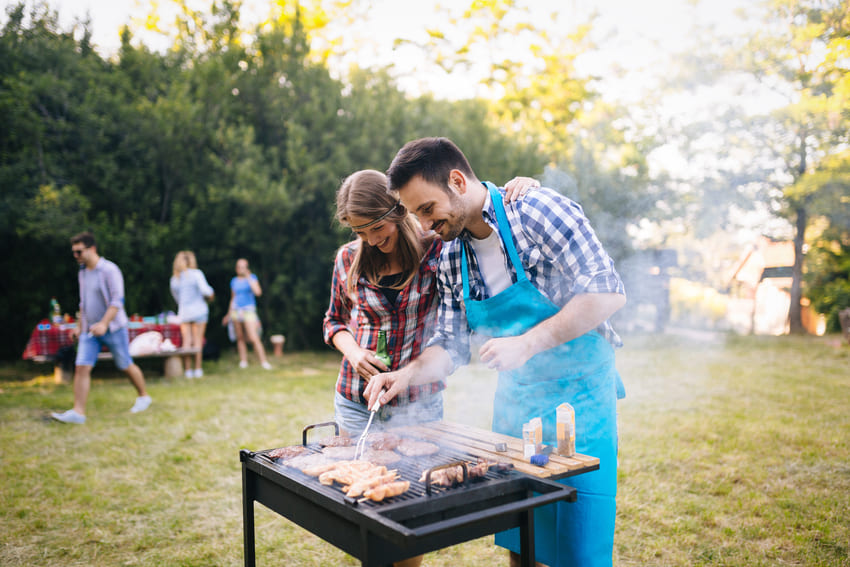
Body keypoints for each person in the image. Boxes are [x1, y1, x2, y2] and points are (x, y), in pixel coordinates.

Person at [365, 137, 627, 567]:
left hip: (579, 403)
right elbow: (450, 345)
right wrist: (406, 375)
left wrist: (527, 343)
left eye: (427, 209)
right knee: (523, 537)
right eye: (416, 215)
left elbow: (606, 294)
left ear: (456, 181)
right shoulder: (450, 256)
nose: (426, 225)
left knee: (577, 540)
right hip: (517, 404)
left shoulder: (539, 213)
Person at [324, 169, 537, 567]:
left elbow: (468, 201)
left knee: (410, 516)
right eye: (359, 231)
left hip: (418, 403)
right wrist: (353, 353)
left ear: (396, 209)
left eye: (375, 227)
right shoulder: (347, 259)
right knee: (362, 506)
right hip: (356, 401)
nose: (370, 240)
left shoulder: (438, 249)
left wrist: (519, 189)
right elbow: (334, 322)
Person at [51, 232, 152, 424]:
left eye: (79, 251)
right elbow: (84, 303)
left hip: (113, 328)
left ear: (92, 249)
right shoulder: (82, 271)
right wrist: (79, 326)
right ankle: (78, 413)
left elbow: (117, 301)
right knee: (81, 367)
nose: (76, 256)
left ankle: (143, 396)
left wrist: (104, 323)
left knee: (125, 364)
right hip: (90, 331)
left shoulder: (109, 270)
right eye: (74, 252)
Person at [170, 250, 215, 378]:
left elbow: (177, 298)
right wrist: (211, 294)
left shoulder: (174, 279)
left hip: (184, 312)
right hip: (199, 311)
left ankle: (188, 370)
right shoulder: (196, 274)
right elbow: (205, 291)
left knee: (186, 341)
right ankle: (198, 369)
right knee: (197, 341)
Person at [223, 258, 271, 370]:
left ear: (247, 268)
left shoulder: (252, 278)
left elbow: (258, 292)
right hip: (236, 311)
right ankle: (243, 361)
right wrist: (228, 314)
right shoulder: (234, 281)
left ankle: (264, 362)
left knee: (253, 337)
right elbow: (233, 298)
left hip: (248, 310)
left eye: (243, 267)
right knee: (240, 338)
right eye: (239, 267)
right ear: (236, 268)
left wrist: (249, 277)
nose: (241, 269)